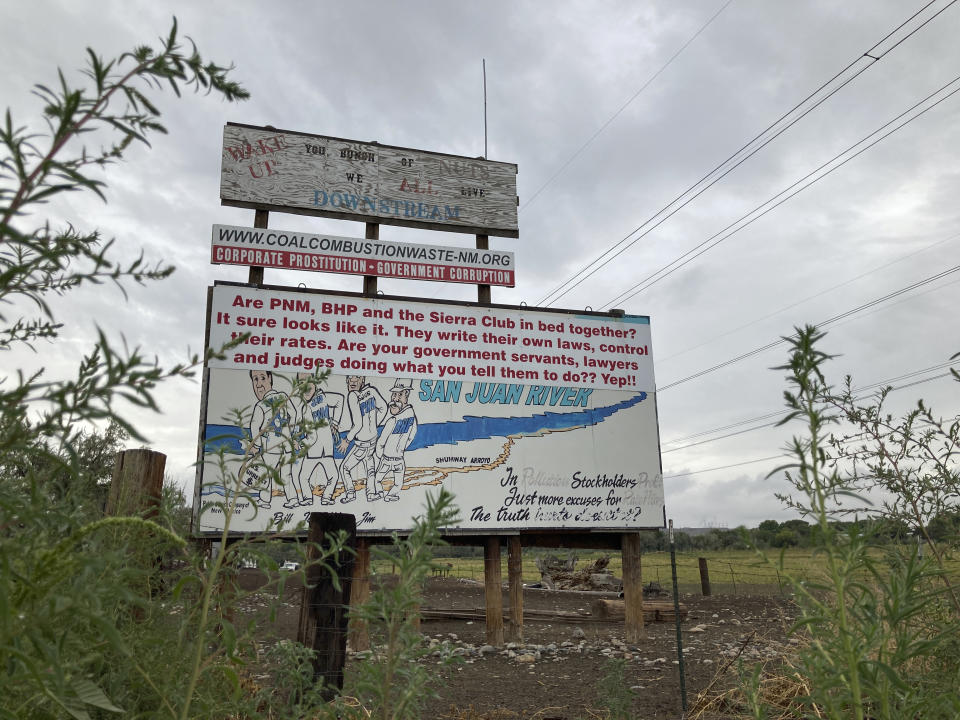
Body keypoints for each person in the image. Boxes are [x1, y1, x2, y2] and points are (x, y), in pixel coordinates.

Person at [321, 375, 387, 504]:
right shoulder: (371, 391)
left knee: (344, 468)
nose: (353, 381)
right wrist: (373, 426)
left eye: (356, 377)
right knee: (370, 468)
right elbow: (384, 408)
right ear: (346, 380)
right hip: (372, 439)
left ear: (362, 379)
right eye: (350, 378)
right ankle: (371, 494)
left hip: (362, 443)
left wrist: (347, 440)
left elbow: (358, 424)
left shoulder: (353, 396)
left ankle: (351, 494)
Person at [244, 369, 299, 509]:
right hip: (286, 446)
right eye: (255, 379)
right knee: (287, 475)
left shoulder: (260, 406)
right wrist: (292, 434)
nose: (259, 383)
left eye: (262, 378)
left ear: (270, 378)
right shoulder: (283, 396)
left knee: (266, 474)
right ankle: (293, 499)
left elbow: (254, 427)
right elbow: (295, 415)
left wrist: (255, 445)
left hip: (271, 447)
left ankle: (264, 500)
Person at [291, 371, 344, 503]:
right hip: (321, 449)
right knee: (331, 476)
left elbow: (340, 400)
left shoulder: (318, 401)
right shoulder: (305, 407)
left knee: (305, 477)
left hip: (319, 449)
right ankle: (321, 498)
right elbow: (298, 426)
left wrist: (336, 423)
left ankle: (313, 498)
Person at [372, 379, 418, 502]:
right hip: (399, 459)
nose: (395, 398)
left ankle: (382, 493)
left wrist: (380, 454)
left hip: (387, 458)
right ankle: (390, 495)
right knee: (398, 483)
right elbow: (411, 436)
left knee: (377, 479)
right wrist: (401, 448)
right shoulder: (412, 417)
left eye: (399, 394)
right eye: (394, 394)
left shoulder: (392, 421)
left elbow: (381, 442)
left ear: (406, 395)